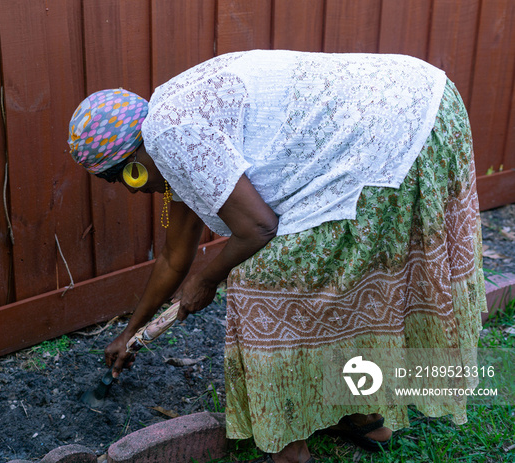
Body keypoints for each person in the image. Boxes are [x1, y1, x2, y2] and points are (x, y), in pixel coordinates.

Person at [67, 50, 486, 463]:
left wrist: (207, 280)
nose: (130, 189)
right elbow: (175, 257)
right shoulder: (174, 133)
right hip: (424, 103)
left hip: (395, 130)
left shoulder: (168, 133)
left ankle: (291, 448)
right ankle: (360, 414)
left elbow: (258, 227)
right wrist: (130, 332)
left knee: (262, 286)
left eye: (122, 175)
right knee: (340, 283)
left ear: (136, 155)